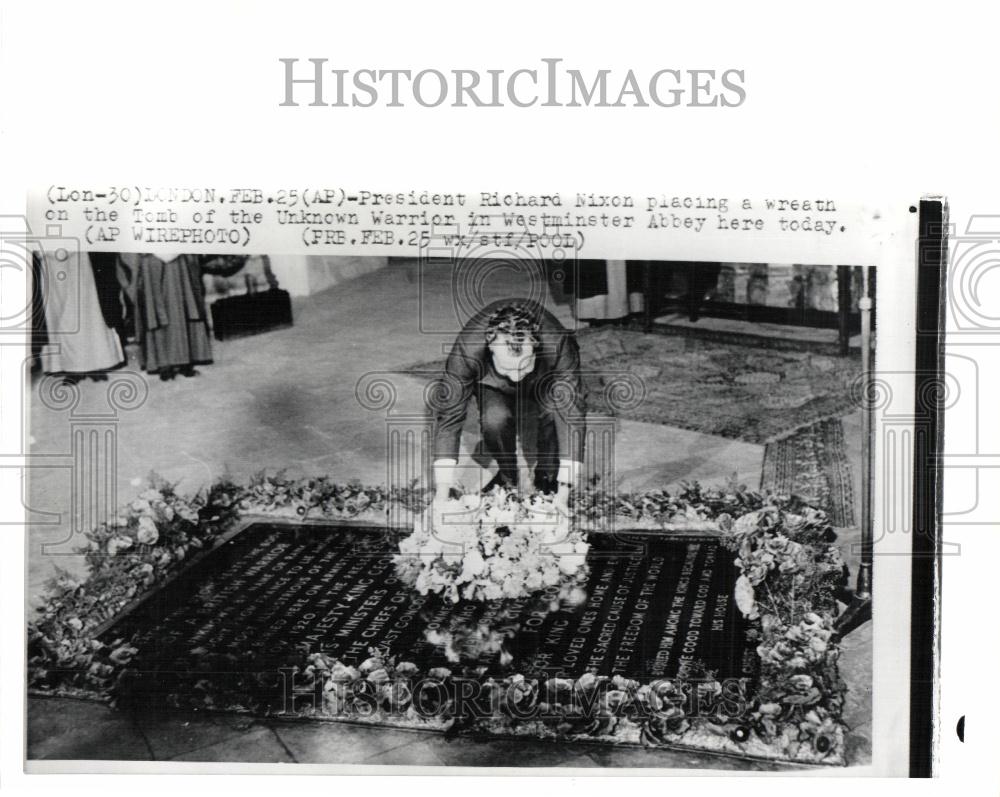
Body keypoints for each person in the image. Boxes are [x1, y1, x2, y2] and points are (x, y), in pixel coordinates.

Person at [431, 299, 586, 513]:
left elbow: (571, 415)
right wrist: (441, 495)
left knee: (554, 412)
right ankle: (507, 477)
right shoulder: (466, 350)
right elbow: (449, 419)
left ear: (536, 346)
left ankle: (547, 477)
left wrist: (564, 491)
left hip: (542, 377)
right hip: (492, 381)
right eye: (507, 368)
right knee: (493, 419)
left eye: (523, 366)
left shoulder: (557, 344)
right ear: (490, 348)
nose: (515, 377)